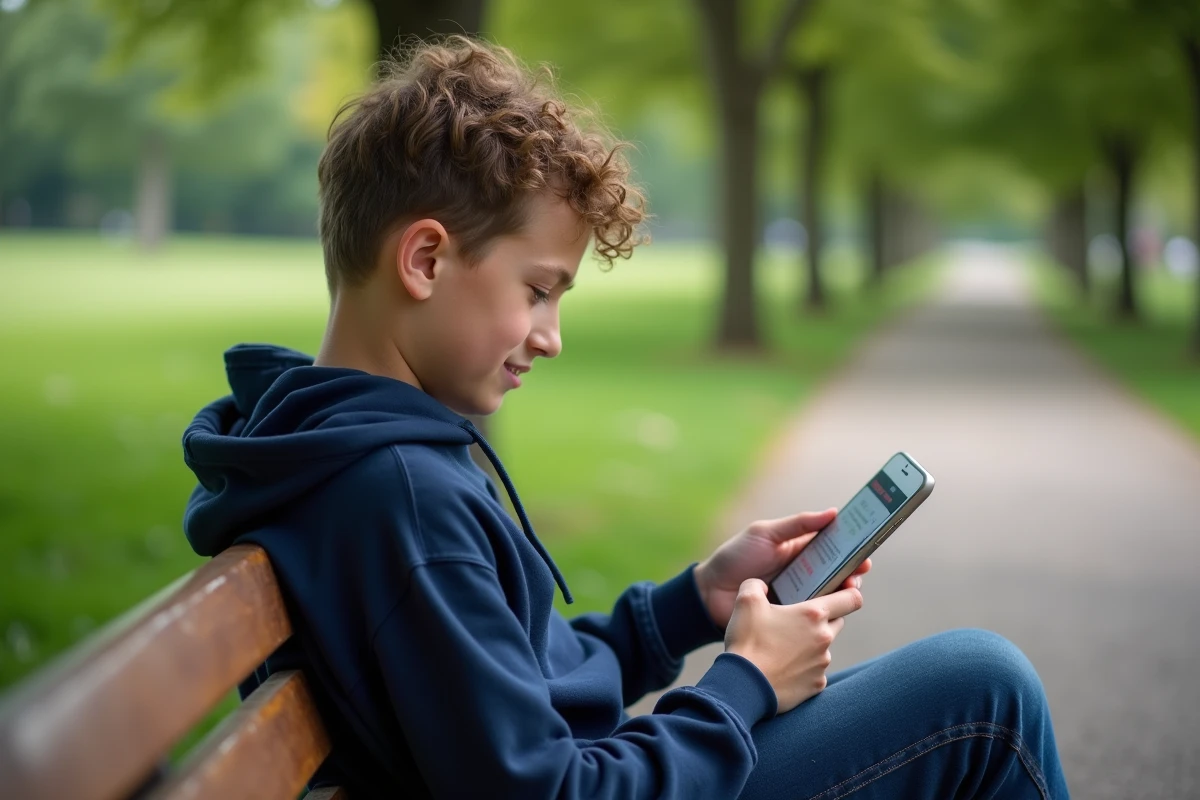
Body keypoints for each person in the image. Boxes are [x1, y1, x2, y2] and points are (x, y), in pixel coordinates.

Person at [181, 36, 1069, 800]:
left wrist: (687, 608)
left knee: (976, 682)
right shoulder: (400, 495)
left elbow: (512, 682)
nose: (550, 337)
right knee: (986, 695)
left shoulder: (332, 446)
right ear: (424, 259)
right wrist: (744, 683)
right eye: (537, 292)